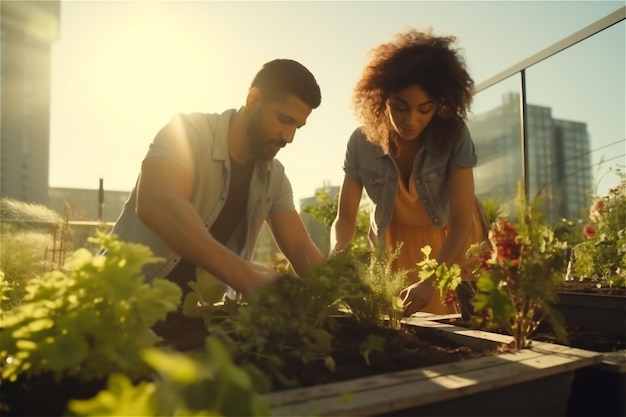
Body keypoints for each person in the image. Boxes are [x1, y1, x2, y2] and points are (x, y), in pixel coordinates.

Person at [108, 59, 325, 350]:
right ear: (254, 99)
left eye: (298, 126)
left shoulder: (275, 178)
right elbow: (158, 203)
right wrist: (247, 277)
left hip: (193, 321)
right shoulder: (187, 132)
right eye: (284, 120)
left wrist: (344, 291)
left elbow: (300, 248)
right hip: (121, 311)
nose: (289, 137)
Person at [329, 28, 489, 318]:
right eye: (399, 108)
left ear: (440, 104)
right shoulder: (360, 142)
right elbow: (345, 219)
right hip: (396, 242)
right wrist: (335, 258)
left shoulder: (455, 136)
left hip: (452, 241)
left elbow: (463, 221)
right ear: (381, 99)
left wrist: (431, 282)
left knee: (465, 329)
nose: (411, 120)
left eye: (424, 109)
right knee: (406, 330)